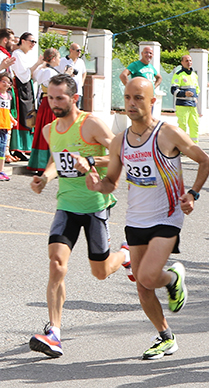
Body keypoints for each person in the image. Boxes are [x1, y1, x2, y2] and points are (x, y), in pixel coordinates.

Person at [86, 77, 209, 359]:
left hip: (167, 215)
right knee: (143, 287)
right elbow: (111, 182)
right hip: (136, 219)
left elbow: (205, 160)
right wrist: (97, 184)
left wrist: (193, 193)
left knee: (147, 275)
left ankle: (172, 277)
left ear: (152, 101)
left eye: (138, 98)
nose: (131, 103)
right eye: (128, 98)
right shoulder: (120, 142)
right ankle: (165, 336)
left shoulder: (168, 133)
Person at [27, 74, 129, 358]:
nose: (54, 102)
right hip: (66, 204)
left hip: (95, 203)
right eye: (50, 97)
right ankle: (55, 333)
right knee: (56, 263)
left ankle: (124, 256)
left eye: (59, 97)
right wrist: (45, 178)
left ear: (74, 98)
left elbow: (120, 153)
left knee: (100, 272)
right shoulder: (49, 130)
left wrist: (92, 161)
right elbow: (55, 161)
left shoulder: (90, 124)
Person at [28, 48, 63, 172]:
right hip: (50, 103)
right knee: (51, 131)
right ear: (53, 59)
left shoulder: (44, 70)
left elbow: (35, 76)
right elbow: (58, 88)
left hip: (45, 103)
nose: (59, 59)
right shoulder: (49, 72)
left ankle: (41, 163)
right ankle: (46, 164)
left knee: (44, 130)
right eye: (58, 57)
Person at [9, 32, 38, 160]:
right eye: (31, 41)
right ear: (23, 41)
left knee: (30, 115)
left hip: (28, 86)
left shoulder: (29, 55)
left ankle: (27, 146)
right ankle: (18, 147)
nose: (33, 44)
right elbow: (22, 74)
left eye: (34, 42)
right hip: (20, 86)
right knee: (22, 114)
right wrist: (36, 66)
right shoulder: (17, 54)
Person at [171, 54, 200, 143]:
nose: (189, 63)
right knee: (182, 126)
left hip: (193, 105)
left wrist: (196, 97)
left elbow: (197, 89)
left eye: (190, 61)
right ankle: (181, 147)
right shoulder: (178, 75)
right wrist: (184, 93)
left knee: (195, 125)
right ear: (182, 63)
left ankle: (194, 146)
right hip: (182, 105)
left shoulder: (194, 75)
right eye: (186, 61)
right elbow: (173, 90)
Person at [0, 73, 14, 180]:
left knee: (2, 149)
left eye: (8, 82)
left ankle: (1, 170)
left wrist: (12, 119)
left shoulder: (8, 96)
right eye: (3, 81)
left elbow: (7, 110)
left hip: (5, 125)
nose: (6, 84)